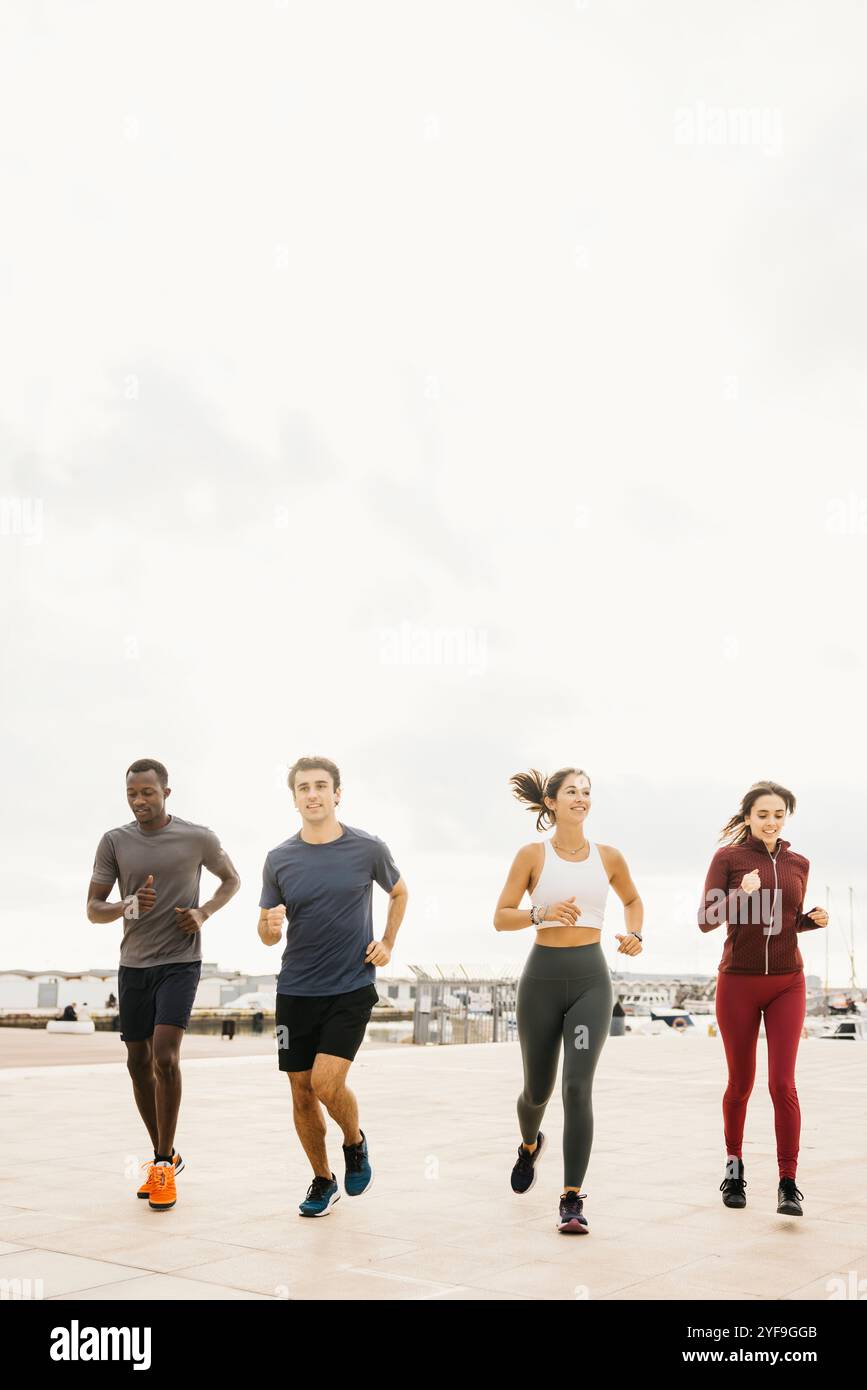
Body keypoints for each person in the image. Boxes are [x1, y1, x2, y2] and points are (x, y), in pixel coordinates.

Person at [494, 766, 644, 1234]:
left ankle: (572, 1198)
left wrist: (635, 933)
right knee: (537, 1092)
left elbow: (633, 901)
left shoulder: (610, 857)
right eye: (571, 792)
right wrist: (541, 912)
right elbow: (501, 917)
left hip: (589, 983)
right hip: (541, 980)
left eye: (586, 792)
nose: (581, 798)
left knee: (577, 1087)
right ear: (552, 803)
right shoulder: (531, 855)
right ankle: (528, 1144)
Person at [87, 758, 240, 1211]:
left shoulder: (198, 838)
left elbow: (231, 880)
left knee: (165, 1057)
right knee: (137, 1062)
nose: (139, 801)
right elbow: (94, 909)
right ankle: (168, 1156)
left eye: (147, 793)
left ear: (166, 793)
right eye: (132, 794)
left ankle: (159, 1165)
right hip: (134, 965)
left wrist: (204, 912)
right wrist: (126, 905)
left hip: (180, 961)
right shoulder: (114, 841)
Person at [258, 756, 407, 1217]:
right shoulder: (279, 859)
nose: (313, 794)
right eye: (303, 788)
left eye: (321, 786)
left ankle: (354, 1141)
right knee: (300, 1091)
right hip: (295, 990)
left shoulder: (367, 848)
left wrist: (387, 941)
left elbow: (399, 892)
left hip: (350, 987)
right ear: (295, 798)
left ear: (337, 794)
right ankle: (323, 1180)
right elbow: (266, 935)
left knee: (326, 1082)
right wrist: (270, 924)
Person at [698, 780, 828, 1218]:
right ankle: (733, 1168)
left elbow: (782, 922)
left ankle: (788, 1182)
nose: (771, 822)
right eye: (763, 815)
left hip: (788, 982)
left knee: (782, 1084)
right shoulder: (729, 859)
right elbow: (706, 920)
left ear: (786, 817)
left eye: (778, 815)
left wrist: (809, 922)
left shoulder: (798, 863)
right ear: (748, 817)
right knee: (741, 1084)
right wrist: (741, 893)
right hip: (738, 982)